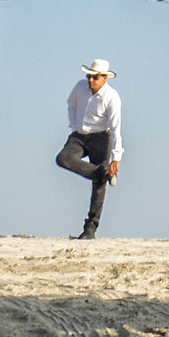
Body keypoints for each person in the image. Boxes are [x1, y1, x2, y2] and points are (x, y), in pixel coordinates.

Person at [57, 60, 123, 240]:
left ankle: (91, 227)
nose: (90, 80)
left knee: (98, 187)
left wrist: (116, 157)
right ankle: (101, 173)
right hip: (79, 136)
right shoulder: (80, 87)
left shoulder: (112, 97)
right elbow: (71, 104)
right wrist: (73, 126)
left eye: (94, 77)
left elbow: (116, 128)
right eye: (88, 76)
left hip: (101, 137)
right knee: (63, 158)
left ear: (104, 78)